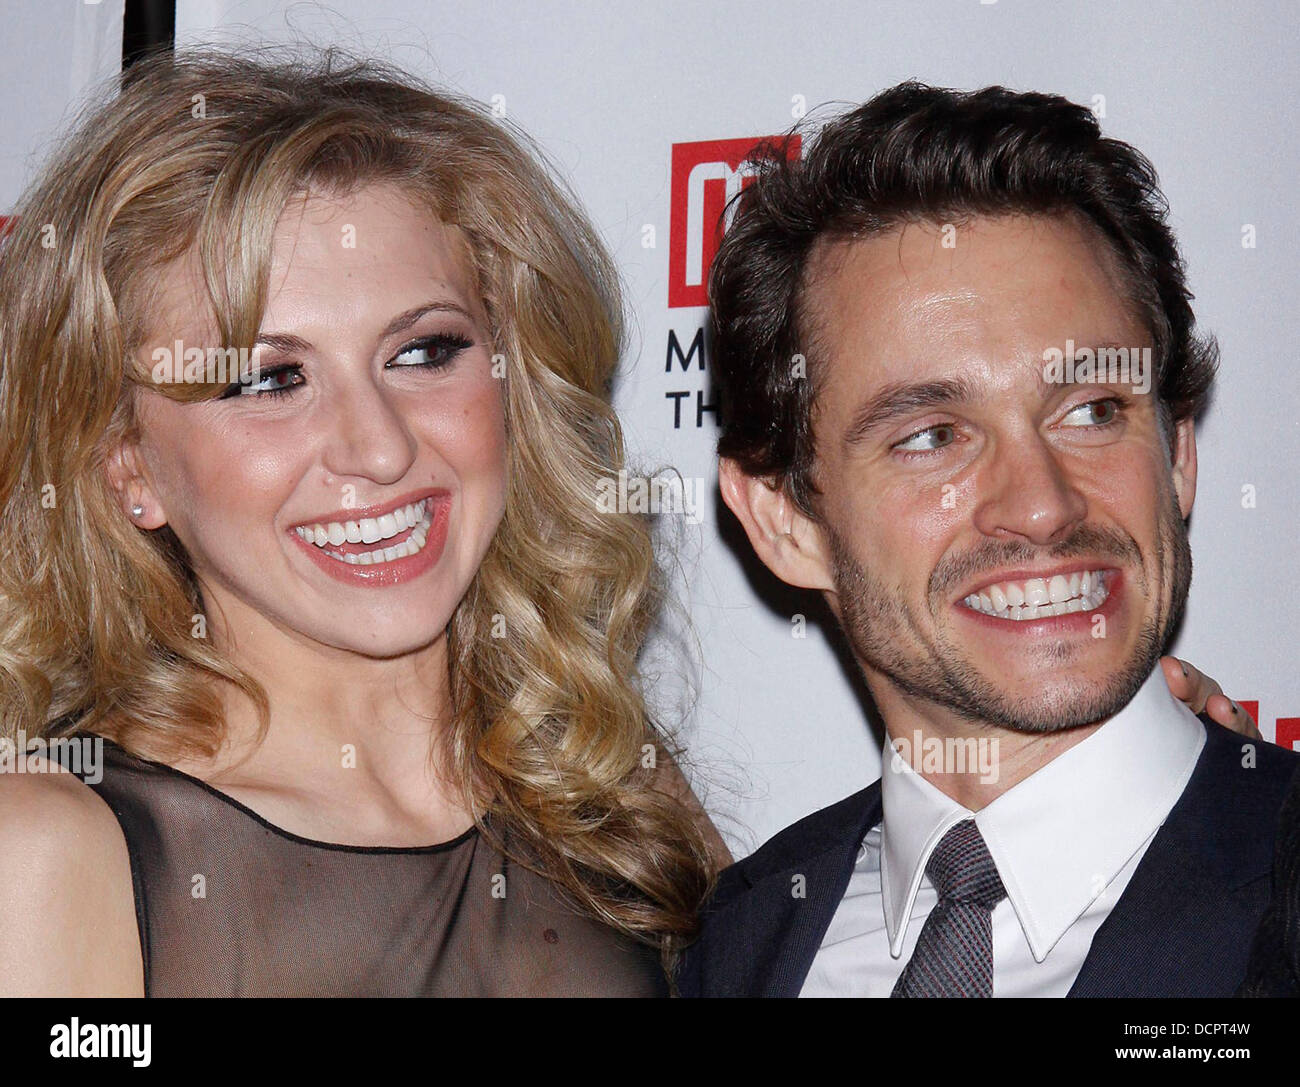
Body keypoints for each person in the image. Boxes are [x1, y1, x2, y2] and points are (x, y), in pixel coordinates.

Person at [0, 48, 727, 997]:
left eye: (424, 352)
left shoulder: (609, 794)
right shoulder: (50, 851)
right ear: (127, 463)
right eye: (270, 379)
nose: (379, 448)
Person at [680, 81, 1300, 997]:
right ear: (785, 521)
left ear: (1178, 455)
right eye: (933, 435)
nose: (1043, 505)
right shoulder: (736, 944)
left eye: (1092, 410)